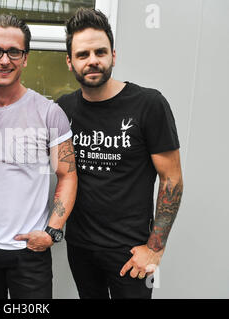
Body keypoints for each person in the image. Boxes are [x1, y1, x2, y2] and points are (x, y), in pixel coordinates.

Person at [57, 8, 184, 299]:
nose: (92, 61)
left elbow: (172, 179)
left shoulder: (149, 104)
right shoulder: (64, 108)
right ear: (70, 61)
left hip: (130, 253)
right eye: (82, 54)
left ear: (113, 55)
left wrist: (154, 248)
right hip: (81, 247)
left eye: (100, 52)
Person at [0, 14, 78, 299]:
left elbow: (68, 175)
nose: (4, 60)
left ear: (25, 58)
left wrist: (52, 232)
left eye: (14, 51)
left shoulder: (49, 113)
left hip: (30, 252)